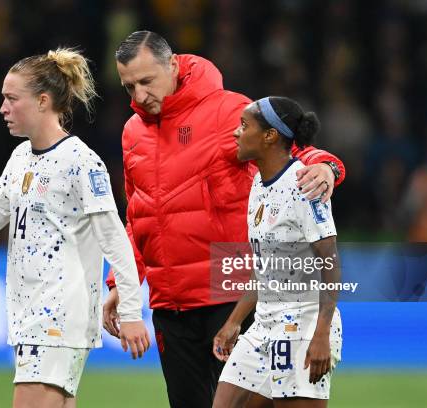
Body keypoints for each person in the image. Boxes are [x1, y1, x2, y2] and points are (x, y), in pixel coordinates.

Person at [102, 31, 345, 407]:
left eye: (146, 81)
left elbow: (291, 148)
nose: (138, 96)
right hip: (170, 304)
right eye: (128, 86)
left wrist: (327, 167)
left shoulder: (225, 111)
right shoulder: (132, 132)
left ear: (174, 65)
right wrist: (123, 282)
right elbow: (138, 215)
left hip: (228, 293)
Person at [0, 48, 150, 408]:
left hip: (58, 316)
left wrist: (133, 314)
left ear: (42, 101)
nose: (2, 108)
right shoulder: (21, 157)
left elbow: (115, 241)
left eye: (11, 99)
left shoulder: (81, 162)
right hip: (30, 314)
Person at [212, 96, 342, 408]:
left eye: (244, 126)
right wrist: (234, 321)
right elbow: (266, 266)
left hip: (302, 324)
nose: (236, 133)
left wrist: (321, 334)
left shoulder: (304, 185)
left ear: (270, 136)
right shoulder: (259, 183)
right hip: (263, 324)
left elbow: (331, 264)